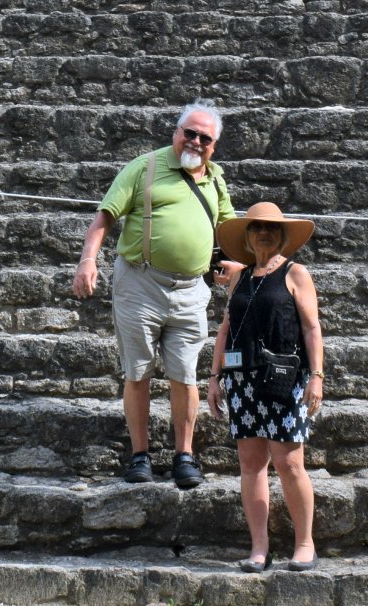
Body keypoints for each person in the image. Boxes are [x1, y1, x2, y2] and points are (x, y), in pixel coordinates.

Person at [73, 99, 239, 489]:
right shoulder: (144, 167)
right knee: (138, 371)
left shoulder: (215, 180)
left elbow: (229, 228)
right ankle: (140, 455)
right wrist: (88, 260)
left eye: (205, 138)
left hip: (191, 289)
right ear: (176, 132)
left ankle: (185, 455)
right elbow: (104, 217)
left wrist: (239, 264)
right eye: (190, 133)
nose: (196, 142)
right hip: (140, 283)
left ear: (214, 146)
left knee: (185, 375)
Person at [207, 201, 324, 572]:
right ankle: (259, 548)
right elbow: (226, 329)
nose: (263, 233)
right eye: (257, 227)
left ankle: (305, 544)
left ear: (282, 235)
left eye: (271, 228)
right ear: (247, 235)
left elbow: (311, 328)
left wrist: (317, 376)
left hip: (284, 379)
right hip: (242, 380)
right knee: (250, 464)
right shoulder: (240, 278)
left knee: (290, 462)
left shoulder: (295, 273)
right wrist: (214, 377)